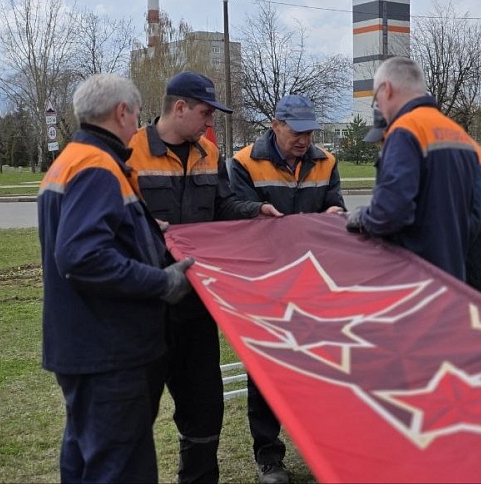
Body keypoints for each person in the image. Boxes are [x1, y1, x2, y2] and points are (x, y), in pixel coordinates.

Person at [127, 70, 282, 484]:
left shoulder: (209, 153)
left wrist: (254, 210)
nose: (210, 122)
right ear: (179, 108)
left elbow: (223, 205)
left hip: (195, 305)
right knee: (132, 413)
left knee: (204, 409)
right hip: (145, 307)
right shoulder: (130, 152)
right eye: (205, 113)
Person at [38, 74, 195, 483]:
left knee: (86, 460)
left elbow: (89, 238)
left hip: (83, 345)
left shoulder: (71, 160)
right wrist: (161, 282)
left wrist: (142, 229)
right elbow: (82, 256)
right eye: (137, 114)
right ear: (122, 112)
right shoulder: (97, 167)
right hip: (110, 350)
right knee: (121, 468)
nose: (138, 124)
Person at [346, 56, 481, 311]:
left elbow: (389, 213)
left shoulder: (405, 130)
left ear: (387, 89)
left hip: (447, 297)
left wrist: (362, 218)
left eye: (377, 99)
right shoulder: (460, 137)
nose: (380, 108)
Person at [230, 94, 345, 484]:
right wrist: (255, 211)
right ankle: (269, 457)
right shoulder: (244, 162)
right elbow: (234, 212)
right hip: (266, 283)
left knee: (320, 367)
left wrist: (335, 214)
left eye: (309, 132)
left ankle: (323, 447)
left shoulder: (326, 161)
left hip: (314, 281)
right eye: (297, 131)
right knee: (264, 370)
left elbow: (334, 204)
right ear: (276, 124)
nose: (304, 139)